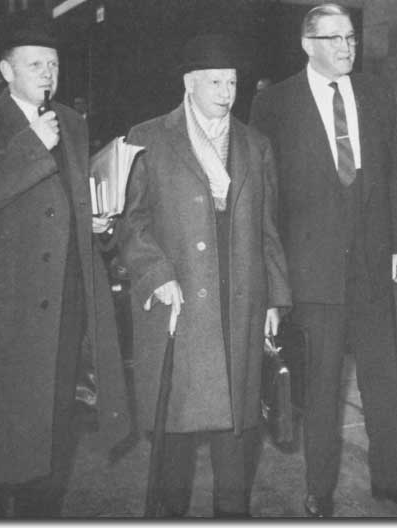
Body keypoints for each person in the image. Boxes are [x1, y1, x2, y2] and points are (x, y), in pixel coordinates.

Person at [250, 3, 397, 518]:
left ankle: (390, 481)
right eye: (334, 38)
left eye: (351, 37)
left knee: (383, 384)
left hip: (373, 266)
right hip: (313, 273)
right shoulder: (275, 104)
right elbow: (268, 200)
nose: (347, 47)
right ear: (308, 44)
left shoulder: (376, 95)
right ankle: (320, 488)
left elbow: (396, 172)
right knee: (322, 387)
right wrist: (276, 281)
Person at [117, 33, 291, 518]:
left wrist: (275, 298)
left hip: (239, 304)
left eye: (232, 81)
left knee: (236, 438)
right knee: (174, 439)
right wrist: (155, 271)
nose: (226, 91)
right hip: (181, 306)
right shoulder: (148, 137)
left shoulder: (256, 145)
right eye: (214, 81)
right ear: (189, 84)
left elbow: (267, 228)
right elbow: (131, 222)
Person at [0, 10, 114, 517]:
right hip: (1, 319)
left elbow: (63, 202)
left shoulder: (72, 122)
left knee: (50, 447)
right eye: (34, 65)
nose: (47, 74)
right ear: (6, 72)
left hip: (59, 312)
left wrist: (91, 222)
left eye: (53, 64)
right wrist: (32, 145)